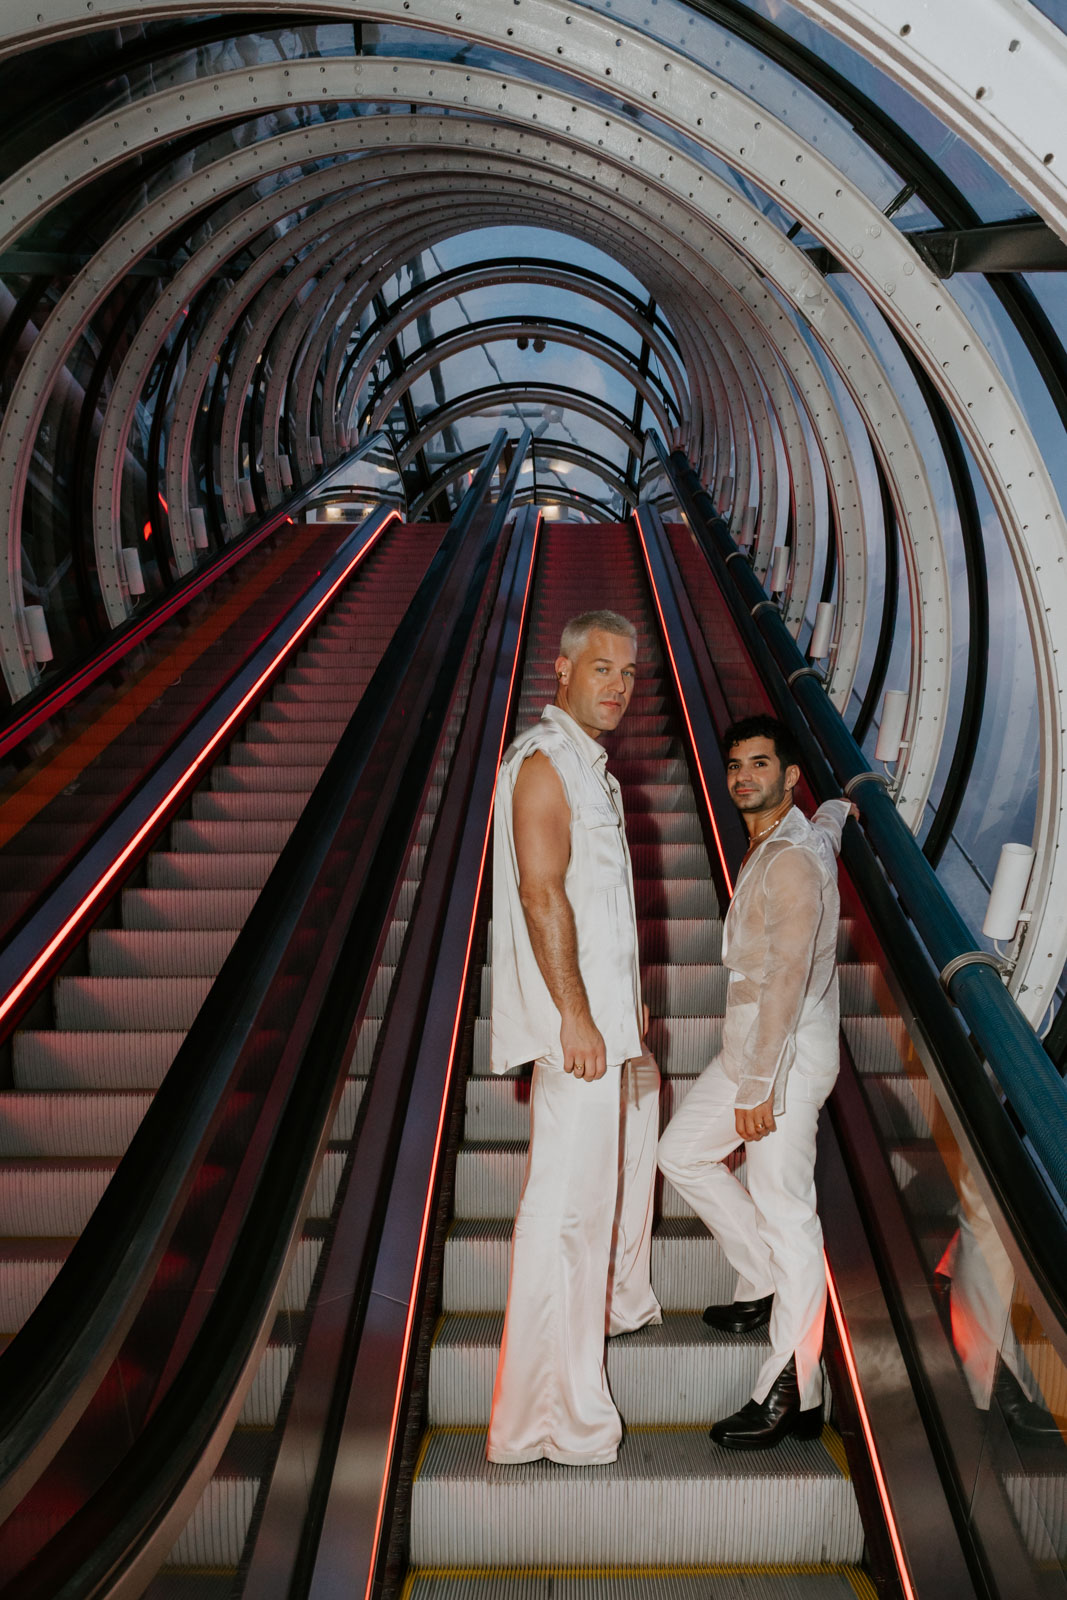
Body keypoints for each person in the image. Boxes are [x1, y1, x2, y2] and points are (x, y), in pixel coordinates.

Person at [486, 609, 662, 1466]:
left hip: (601, 1037)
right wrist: (578, 1016)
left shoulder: (593, 773)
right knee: (564, 1221)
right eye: (602, 669)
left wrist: (625, 1028)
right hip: (574, 1039)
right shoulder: (544, 765)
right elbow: (541, 893)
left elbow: (599, 918)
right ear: (559, 669)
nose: (618, 688)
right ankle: (547, 1421)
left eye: (628, 675)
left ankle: (548, 1416)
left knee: (579, 1219)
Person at [658, 715, 852, 1449]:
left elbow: (785, 981)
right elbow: (824, 831)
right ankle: (763, 1277)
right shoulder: (789, 836)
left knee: (787, 1212)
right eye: (735, 764)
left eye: (759, 763)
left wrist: (757, 1089)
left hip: (781, 1062)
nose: (742, 777)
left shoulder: (790, 860)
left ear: (788, 773)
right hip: (746, 1053)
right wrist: (838, 809)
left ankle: (790, 1386)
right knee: (679, 1153)